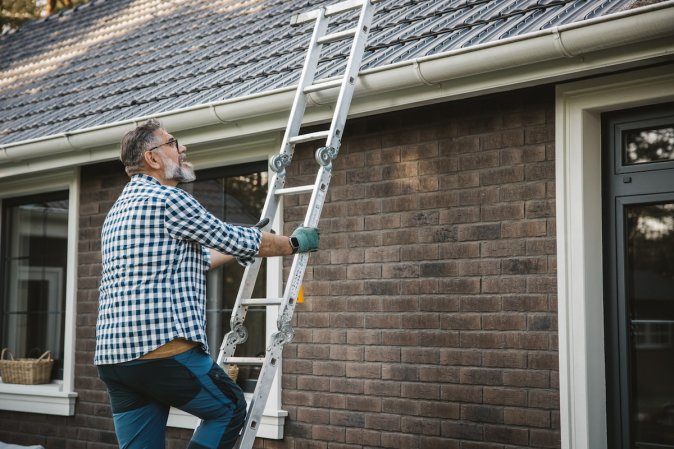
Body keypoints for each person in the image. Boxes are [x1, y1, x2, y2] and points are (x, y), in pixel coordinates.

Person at [94, 119, 319, 449]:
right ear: (153, 158)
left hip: (115, 361)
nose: (182, 148)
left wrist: (242, 244)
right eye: (173, 143)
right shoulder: (168, 199)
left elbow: (196, 259)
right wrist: (293, 243)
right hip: (162, 352)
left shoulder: (118, 211)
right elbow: (230, 238)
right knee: (228, 409)